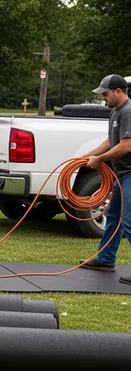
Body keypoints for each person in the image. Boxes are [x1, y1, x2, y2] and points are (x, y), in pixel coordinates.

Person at [79, 74, 131, 282]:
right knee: (113, 217)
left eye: (106, 94)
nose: (103, 98)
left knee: (128, 222)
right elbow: (112, 141)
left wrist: (99, 159)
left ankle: (106, 258)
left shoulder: (128, 111)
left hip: (130, 175)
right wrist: (88, 155)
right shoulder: (116, 112)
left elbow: (127, 145)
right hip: (122, 175)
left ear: (119, 91)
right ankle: (106, 259)